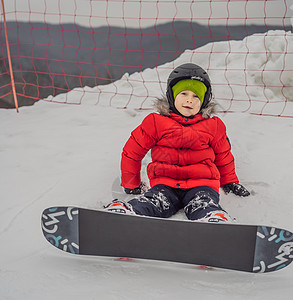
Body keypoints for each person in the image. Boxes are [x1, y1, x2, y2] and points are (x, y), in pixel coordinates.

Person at [105, 63, 250, 222]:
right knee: (154, 201)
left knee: (203, 203)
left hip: (202, 184)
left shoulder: (213, 126)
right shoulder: (155, 122)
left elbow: (224, 156)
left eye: (196, 96)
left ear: (204, 101)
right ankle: (127, 212)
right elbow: (132, 152)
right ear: (172, 96)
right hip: (164, 184)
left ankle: (213, 218)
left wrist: (230, 182)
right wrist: (131, 184)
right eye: (184, 94)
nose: (190, 100)